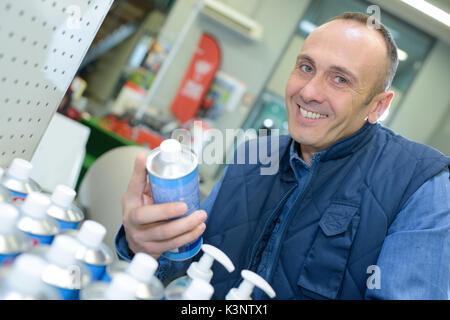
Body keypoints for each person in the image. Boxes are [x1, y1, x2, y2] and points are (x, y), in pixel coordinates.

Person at [115, 12, 450, 299]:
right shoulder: (252, 156)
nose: (309, 91)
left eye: (340, 79)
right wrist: (145, 246)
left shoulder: (421, 185)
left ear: (378, 105)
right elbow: (186, 272)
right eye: (306, 67)